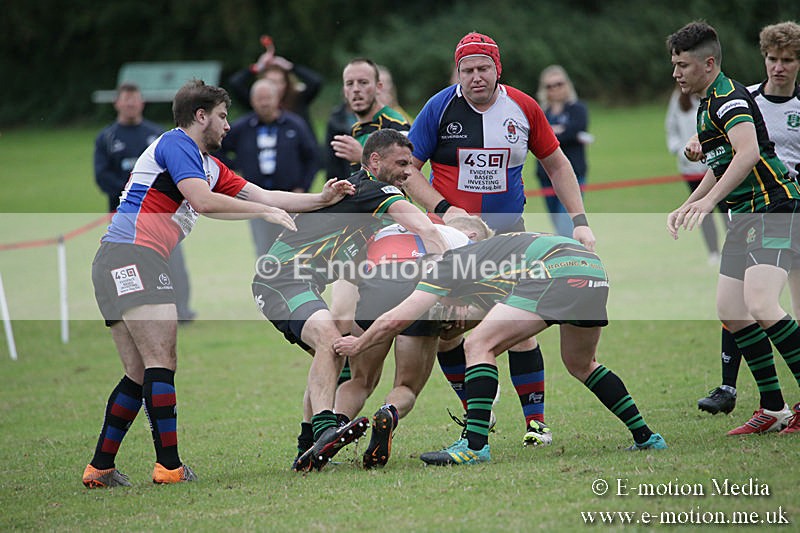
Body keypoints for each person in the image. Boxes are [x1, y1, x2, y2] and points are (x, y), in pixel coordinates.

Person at [82, 79, 355, 488]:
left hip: (119, 258)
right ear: (200, 115)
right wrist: (261, 214)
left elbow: (261, 194)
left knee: (138, 372)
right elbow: (206, 202)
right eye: (223, 116)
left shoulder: (208, 164)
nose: (228, 126)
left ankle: (100, 468)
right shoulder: (176, 144)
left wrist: (321, 199)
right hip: (132, 255)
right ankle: (169, 468)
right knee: (161, 361)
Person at [403, 32, 596, 447]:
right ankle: (480, 411)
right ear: (458, 71)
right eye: (467, 69)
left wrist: (579, 221)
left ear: (497, 69)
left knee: (517, 326)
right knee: (447, 327)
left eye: (483, 68)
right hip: (454, 239)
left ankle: (536, 424)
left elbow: (559, 165)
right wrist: (442, 210)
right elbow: (408, 170)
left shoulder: (524, 107)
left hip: (509, 236)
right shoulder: (438, 108)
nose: (475, 76)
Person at [333, 232, 667, 465]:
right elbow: (486, 312)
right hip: (591, 267)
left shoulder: (445, 265)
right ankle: (646, 436)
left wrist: (359, 342)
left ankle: (474, 445)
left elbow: (395, 320)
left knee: (480, 344)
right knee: (582, 364)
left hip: (553, 270)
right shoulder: (491, 261)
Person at [252, 128, 449, 472]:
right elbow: (428, 230)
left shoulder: (358, 199)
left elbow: (354, 265)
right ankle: (326, 429)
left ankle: (307, 450)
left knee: (328, 353)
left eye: (410, 164)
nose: (408, 171)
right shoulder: (378, 190)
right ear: (375, 160)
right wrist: (451, 279)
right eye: (401, 163)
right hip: (282, 277)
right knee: (330, 342)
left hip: (293, 280)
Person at [666, 21, 800, 435]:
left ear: (708, 64)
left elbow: (747, 154)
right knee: (731, 309)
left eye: (682, 65)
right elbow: (722, 164)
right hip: (745, 216)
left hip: (775, 208)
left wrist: (708, 202)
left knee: (762, 304)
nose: (676, 74)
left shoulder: (729, 100)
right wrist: (690, 202)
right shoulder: (707, 105)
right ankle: (774, 408)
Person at [333, 215, 494, 468]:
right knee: (406, 386)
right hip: (422, 291)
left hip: (377, 283)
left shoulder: (398, 225)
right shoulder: (464, 241)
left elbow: (353, 269)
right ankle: (389, 412)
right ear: (473, 235)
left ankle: (334, 428)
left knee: (359, 381)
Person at [93, 82, 197, 323]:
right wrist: (134, 195)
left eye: (134, 98)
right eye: (125, 99)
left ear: (142, 102)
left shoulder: (159, 135)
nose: (130, 103)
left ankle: (181, 310)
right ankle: (130, 311)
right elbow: (102, 176)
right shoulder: (107, 138)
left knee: (174, 264)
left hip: (162, 217)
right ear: (116, 103)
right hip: (125, 218)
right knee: (127, 267)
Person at [218, 79, 320, 256]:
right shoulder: (242, 127)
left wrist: (303, 187)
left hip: (290, 199)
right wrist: (236, 168)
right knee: (264, 250)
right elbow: (217, 149)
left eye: (268, 97)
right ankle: (267, 281)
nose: (264, 103)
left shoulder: (295, 124)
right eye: (259, 98)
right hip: (257, 200)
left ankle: (294, 282)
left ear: (277, 98)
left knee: (294, 248)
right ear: (252, 101)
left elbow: (312, 158)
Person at [535, 65, 594, 237]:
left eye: (559, 84)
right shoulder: (541, 112)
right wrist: (558, 131)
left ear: (566, 85)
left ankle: (569, 260)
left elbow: (574, 130)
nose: (554, 89)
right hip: (546, 176)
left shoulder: (577, 109)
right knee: (557, 226)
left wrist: (552, 133)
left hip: (573, 173)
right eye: (549, 86)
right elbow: (536, 137)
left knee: (566, 226)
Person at [665, 84, 721, 264]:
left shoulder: (716, 97)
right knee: (702, 210)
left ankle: (736, 248)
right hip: (690, 169)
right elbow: (671, 128)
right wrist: (681, 150)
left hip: (717, 164)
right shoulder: (678, 100)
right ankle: (713, 252)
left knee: (727, 208)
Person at [227, 44, 323, 136]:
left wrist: (290, 67)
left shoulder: (298, 98)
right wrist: (257, 67)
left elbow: (316, 82)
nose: (276, 87)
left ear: (286, 84)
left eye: (280, 82)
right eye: (271, 82)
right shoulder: (259, 102)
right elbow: (235, 83)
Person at [324, 98, 356, 180]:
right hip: (343, 174)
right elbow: (330, 155)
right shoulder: (335, 118)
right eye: (349, 84)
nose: (356, 90)